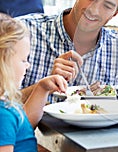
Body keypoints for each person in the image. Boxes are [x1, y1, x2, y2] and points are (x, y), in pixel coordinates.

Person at [16, 0, 118, 103]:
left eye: (107, 6)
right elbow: (3, 104)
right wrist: (43, 87)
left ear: (115, 13)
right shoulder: (24, 32)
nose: (94, 9)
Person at [0, 13, 68, 152]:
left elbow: (23, 126)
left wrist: (43, 88)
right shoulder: (3, 115)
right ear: (3, 61)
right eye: (24, 60)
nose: (28, 65)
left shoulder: (5, 106)